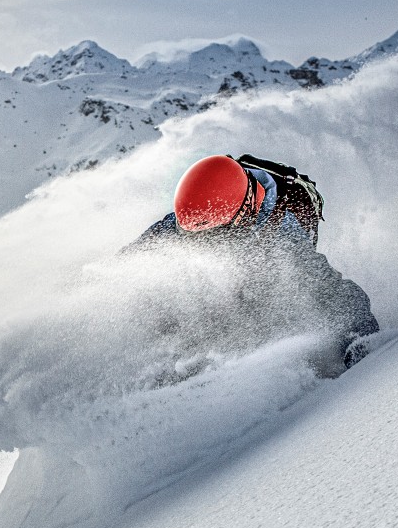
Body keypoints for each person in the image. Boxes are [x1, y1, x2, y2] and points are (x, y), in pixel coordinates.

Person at [129, 153, 378, 373]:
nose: (202, 244)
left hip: (267, 273)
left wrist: (358, 346)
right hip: (236, 252)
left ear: (243, 215)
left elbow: (335, 293)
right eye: (193, 236)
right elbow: (140, 255)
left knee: (260, 303)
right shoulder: (199, 214)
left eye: (213, 235)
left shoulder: (282, 238)